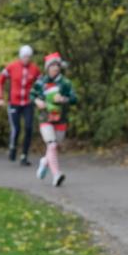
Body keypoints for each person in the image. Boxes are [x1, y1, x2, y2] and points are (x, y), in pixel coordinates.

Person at [32, 53, 77, 187]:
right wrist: (37, 101)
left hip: (61, 119)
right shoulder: (40, 82)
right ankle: (57, 175)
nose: (55, 68)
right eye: (52, 66)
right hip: (45, 118)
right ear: (47, 68)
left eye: (57, 65)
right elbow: (32, 95)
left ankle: (45, 162)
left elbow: (74, 98)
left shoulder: (65, 83)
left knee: (55, 146)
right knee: (51, 144)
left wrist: (64, 99)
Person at [0, 44, 42, 166]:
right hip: (14, 103)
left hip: (28, 102)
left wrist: (38, 98)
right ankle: (13, 147)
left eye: (28, 57)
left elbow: (41, 85)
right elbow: (0, 81)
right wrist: (0, 97)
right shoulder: (12, 67)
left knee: (28, 128)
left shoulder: (35, 69)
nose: (26, 59)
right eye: (24, 57)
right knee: (16, 128)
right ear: (20, 57)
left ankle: (24, 155)